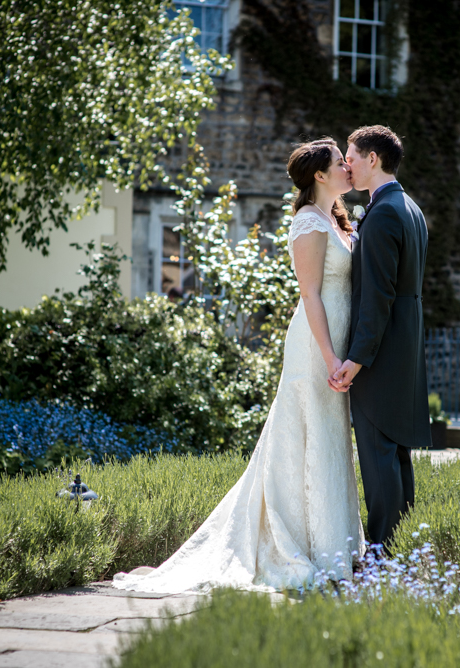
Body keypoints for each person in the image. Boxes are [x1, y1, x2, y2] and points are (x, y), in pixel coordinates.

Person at [112, 138, 363, 594]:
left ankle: (336, 547)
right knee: (309, 435)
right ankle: (307, 550)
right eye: (340, 163)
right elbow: (310, 294)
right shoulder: (309, 222)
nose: (349, 167)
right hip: (315, 348)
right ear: (321, 176)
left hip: (341, 343)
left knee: (329, 441)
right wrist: (330, 357)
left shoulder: (338, 220)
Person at [330, 125, 432, 548]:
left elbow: (378, 296)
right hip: (404, 346)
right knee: (395, 453)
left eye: (351, 157)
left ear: (373, 159)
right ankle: (401, 552)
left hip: (382, 351)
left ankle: (383, 555)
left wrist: (357, 358)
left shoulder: (386, 211)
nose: (347, 165)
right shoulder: (409, 206)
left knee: (378, 457)